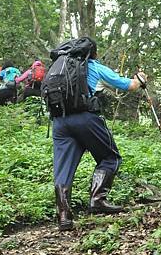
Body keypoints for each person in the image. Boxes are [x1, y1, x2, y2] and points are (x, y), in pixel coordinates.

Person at [51, 37, 147, 231]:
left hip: (60, 121)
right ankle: (97, 200)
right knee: (110, 158)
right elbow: (129, 85)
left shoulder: (58, 68)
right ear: (91, 53)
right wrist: (140, 79)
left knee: (63, 169)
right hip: (86, 118)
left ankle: (64, 216)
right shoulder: (94, 66)